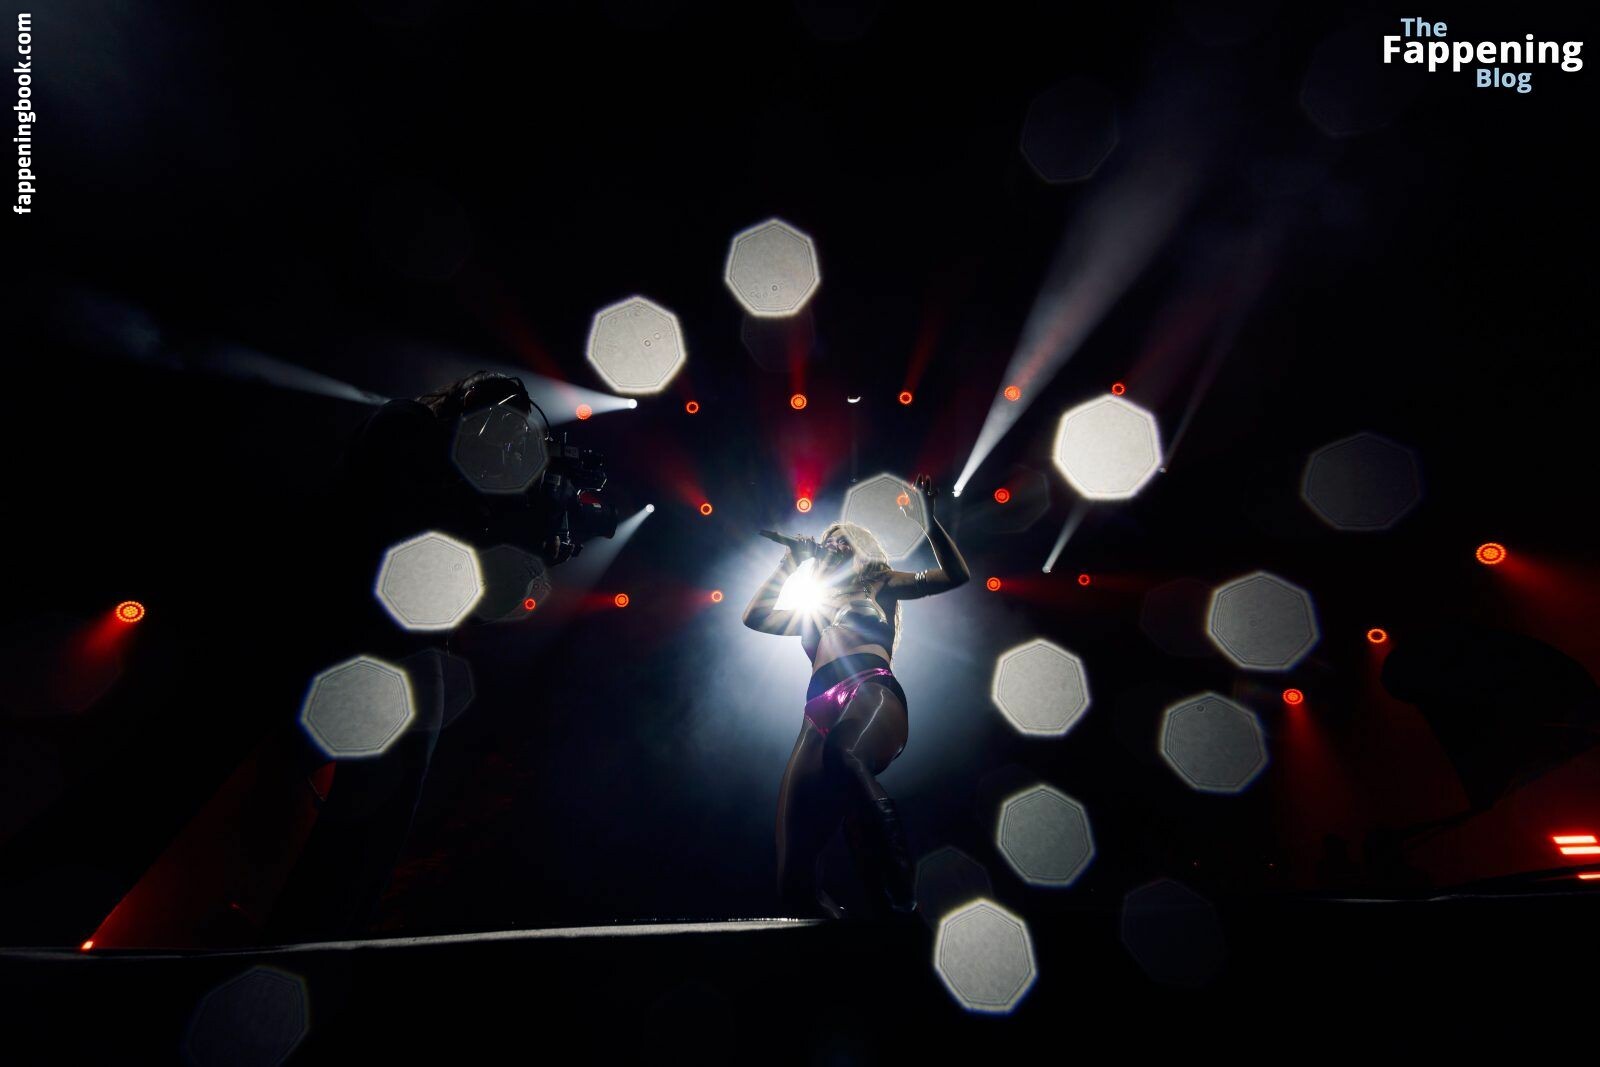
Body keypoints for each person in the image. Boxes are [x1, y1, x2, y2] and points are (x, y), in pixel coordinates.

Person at [743, 474, 969, 919]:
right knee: (793, 883)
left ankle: (897, 886)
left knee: (845, 755)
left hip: (869, 689)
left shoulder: (879, 582)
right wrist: (789, 563)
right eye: (829, 538)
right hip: (816, 713)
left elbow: (955, 575)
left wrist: (929, 522)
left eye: (843, 538)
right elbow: (755, 617)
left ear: (862, 548)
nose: (833, 542)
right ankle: (846, 943)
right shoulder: (814, 607)